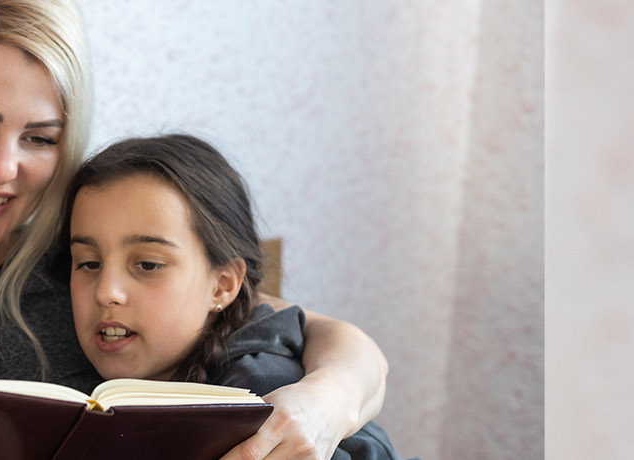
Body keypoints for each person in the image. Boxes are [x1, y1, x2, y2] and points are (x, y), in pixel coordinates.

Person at [0, 1, 390, 458]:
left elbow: (324, 336)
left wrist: (324, 406)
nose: (4, 169)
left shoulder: (80, 260)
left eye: (41, 138)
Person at [64, 134, 401, 460]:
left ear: (223, 286)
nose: (107, 292)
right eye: (88, 263)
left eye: (148, 264)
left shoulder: (259, 398)